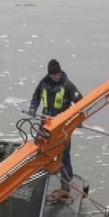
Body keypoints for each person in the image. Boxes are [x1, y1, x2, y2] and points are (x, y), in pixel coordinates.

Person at [28, 59, 84, 196]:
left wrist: (78, 119)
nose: (58, 76)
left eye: (59, 73)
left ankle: (65, 184)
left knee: (64, 154)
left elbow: (80, 102)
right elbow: (36, 97)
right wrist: (32, 109)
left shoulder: (68, 85)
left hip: (62, 126)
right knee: (39, 149)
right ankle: (37, 178)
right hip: (46, 123)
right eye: (55, 75)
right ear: (50, 75)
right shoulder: (43, 84)